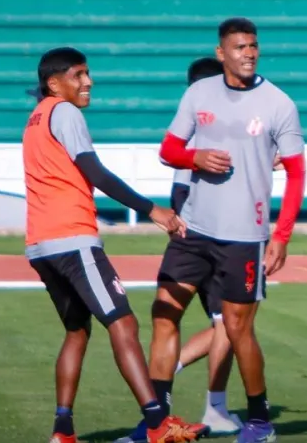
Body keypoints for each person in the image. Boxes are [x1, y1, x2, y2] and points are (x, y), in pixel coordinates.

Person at [23, 47, 208, 443]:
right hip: (72, 239)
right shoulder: (64, 111)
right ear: (54, 83)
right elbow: (93, 170)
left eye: (88, 73)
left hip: (41, 244)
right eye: (78, 75)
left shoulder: (35, 119)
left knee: (76, 332)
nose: (88, 82)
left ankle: (63, 430)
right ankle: (158, 423)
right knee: (122, 322)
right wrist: (150, 209)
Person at [152, 17, 307, 443]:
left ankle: (259, 420)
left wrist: (281, 236)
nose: (249, 53)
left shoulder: (279, 104)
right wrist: (194, 158)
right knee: (164, 314)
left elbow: (296, 173)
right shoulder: (198, 93)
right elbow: (168, 149)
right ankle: (156, 423)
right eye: (240, 47)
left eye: (253, 46)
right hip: (194, 229)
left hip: (245, 235)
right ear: (221, 53)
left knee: (238, 328)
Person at [116, 57, 243, 443]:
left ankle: (208, 410)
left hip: (223, 236)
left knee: (227, 324)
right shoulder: (193, 123)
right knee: (173, 317)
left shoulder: (227, 123)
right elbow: (177, 172)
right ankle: (165, 419)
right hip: (194, 234)